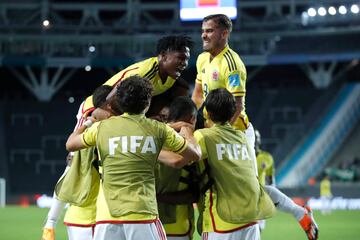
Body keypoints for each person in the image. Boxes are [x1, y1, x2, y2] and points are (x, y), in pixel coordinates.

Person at [41, 35, 193, 240]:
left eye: (187, 58)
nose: (184, 62)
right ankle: (50, 221)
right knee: (76, 163)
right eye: (180, 57)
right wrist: (119, 123)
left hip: (122, 117)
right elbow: (110, 101)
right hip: (94, 110)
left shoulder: (171, 78)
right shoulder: (145, 72)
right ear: (163, 56)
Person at [191, 14, 318, 240]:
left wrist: (221, 134)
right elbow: (198, 95)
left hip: (236, 131)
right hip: (214, 131)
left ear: (224, 33)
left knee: (251, 186)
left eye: (210, 30)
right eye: (203, 30)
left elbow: (237, 106)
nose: (204, 34)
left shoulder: (232, 63)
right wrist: (194, 122)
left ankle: (300, 214)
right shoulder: (202, 60)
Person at [65, 76, 202, 240]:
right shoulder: (158, 130)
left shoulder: (102, 128)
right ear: (147, 103)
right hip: (142, 213)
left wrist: (88, 122)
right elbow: (195, 154)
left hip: (107, 214)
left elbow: (70, 144)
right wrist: (187, 132)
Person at [194, 88, 276, 240]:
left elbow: (183, 156)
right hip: (251, 221)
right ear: (233, 113)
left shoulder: (203, 136)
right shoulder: (242, 137)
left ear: (208, 112)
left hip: (221, 222)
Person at [41, 85, 116, 240]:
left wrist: (51, 222)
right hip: (90, 221)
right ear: (109, 104)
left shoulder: (88, 132)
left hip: (89, 219)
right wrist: (51, 221)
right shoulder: (94, 136)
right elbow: (68, 177)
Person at [155, 96, 199, 240]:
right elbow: (193, 194)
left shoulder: (151, 137)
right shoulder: (192, 143)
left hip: (149, 226)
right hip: (179, 227)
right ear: (192, 118)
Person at [255, 129, 276, 231]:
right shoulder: (241, 156)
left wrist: (273, 195)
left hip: (261, 196)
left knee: (258, 228)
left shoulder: (267, 158)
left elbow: (270, 179)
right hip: (245, 196)